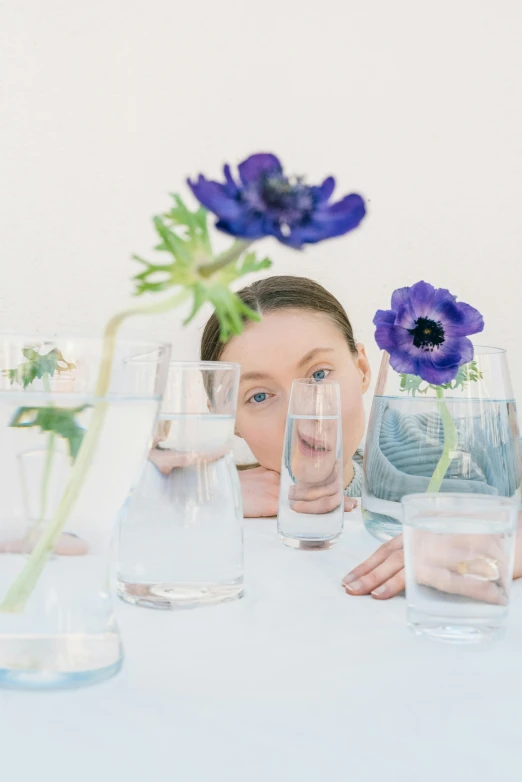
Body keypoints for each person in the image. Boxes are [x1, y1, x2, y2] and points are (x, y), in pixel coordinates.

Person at [200, 275, 522, 601]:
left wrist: (511, 542)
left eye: (319, 374)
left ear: (363, 370)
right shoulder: (206, 494)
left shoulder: (449, 443)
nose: (305, 411)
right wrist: (206, 494)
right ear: (226, 417)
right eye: (259, 396)